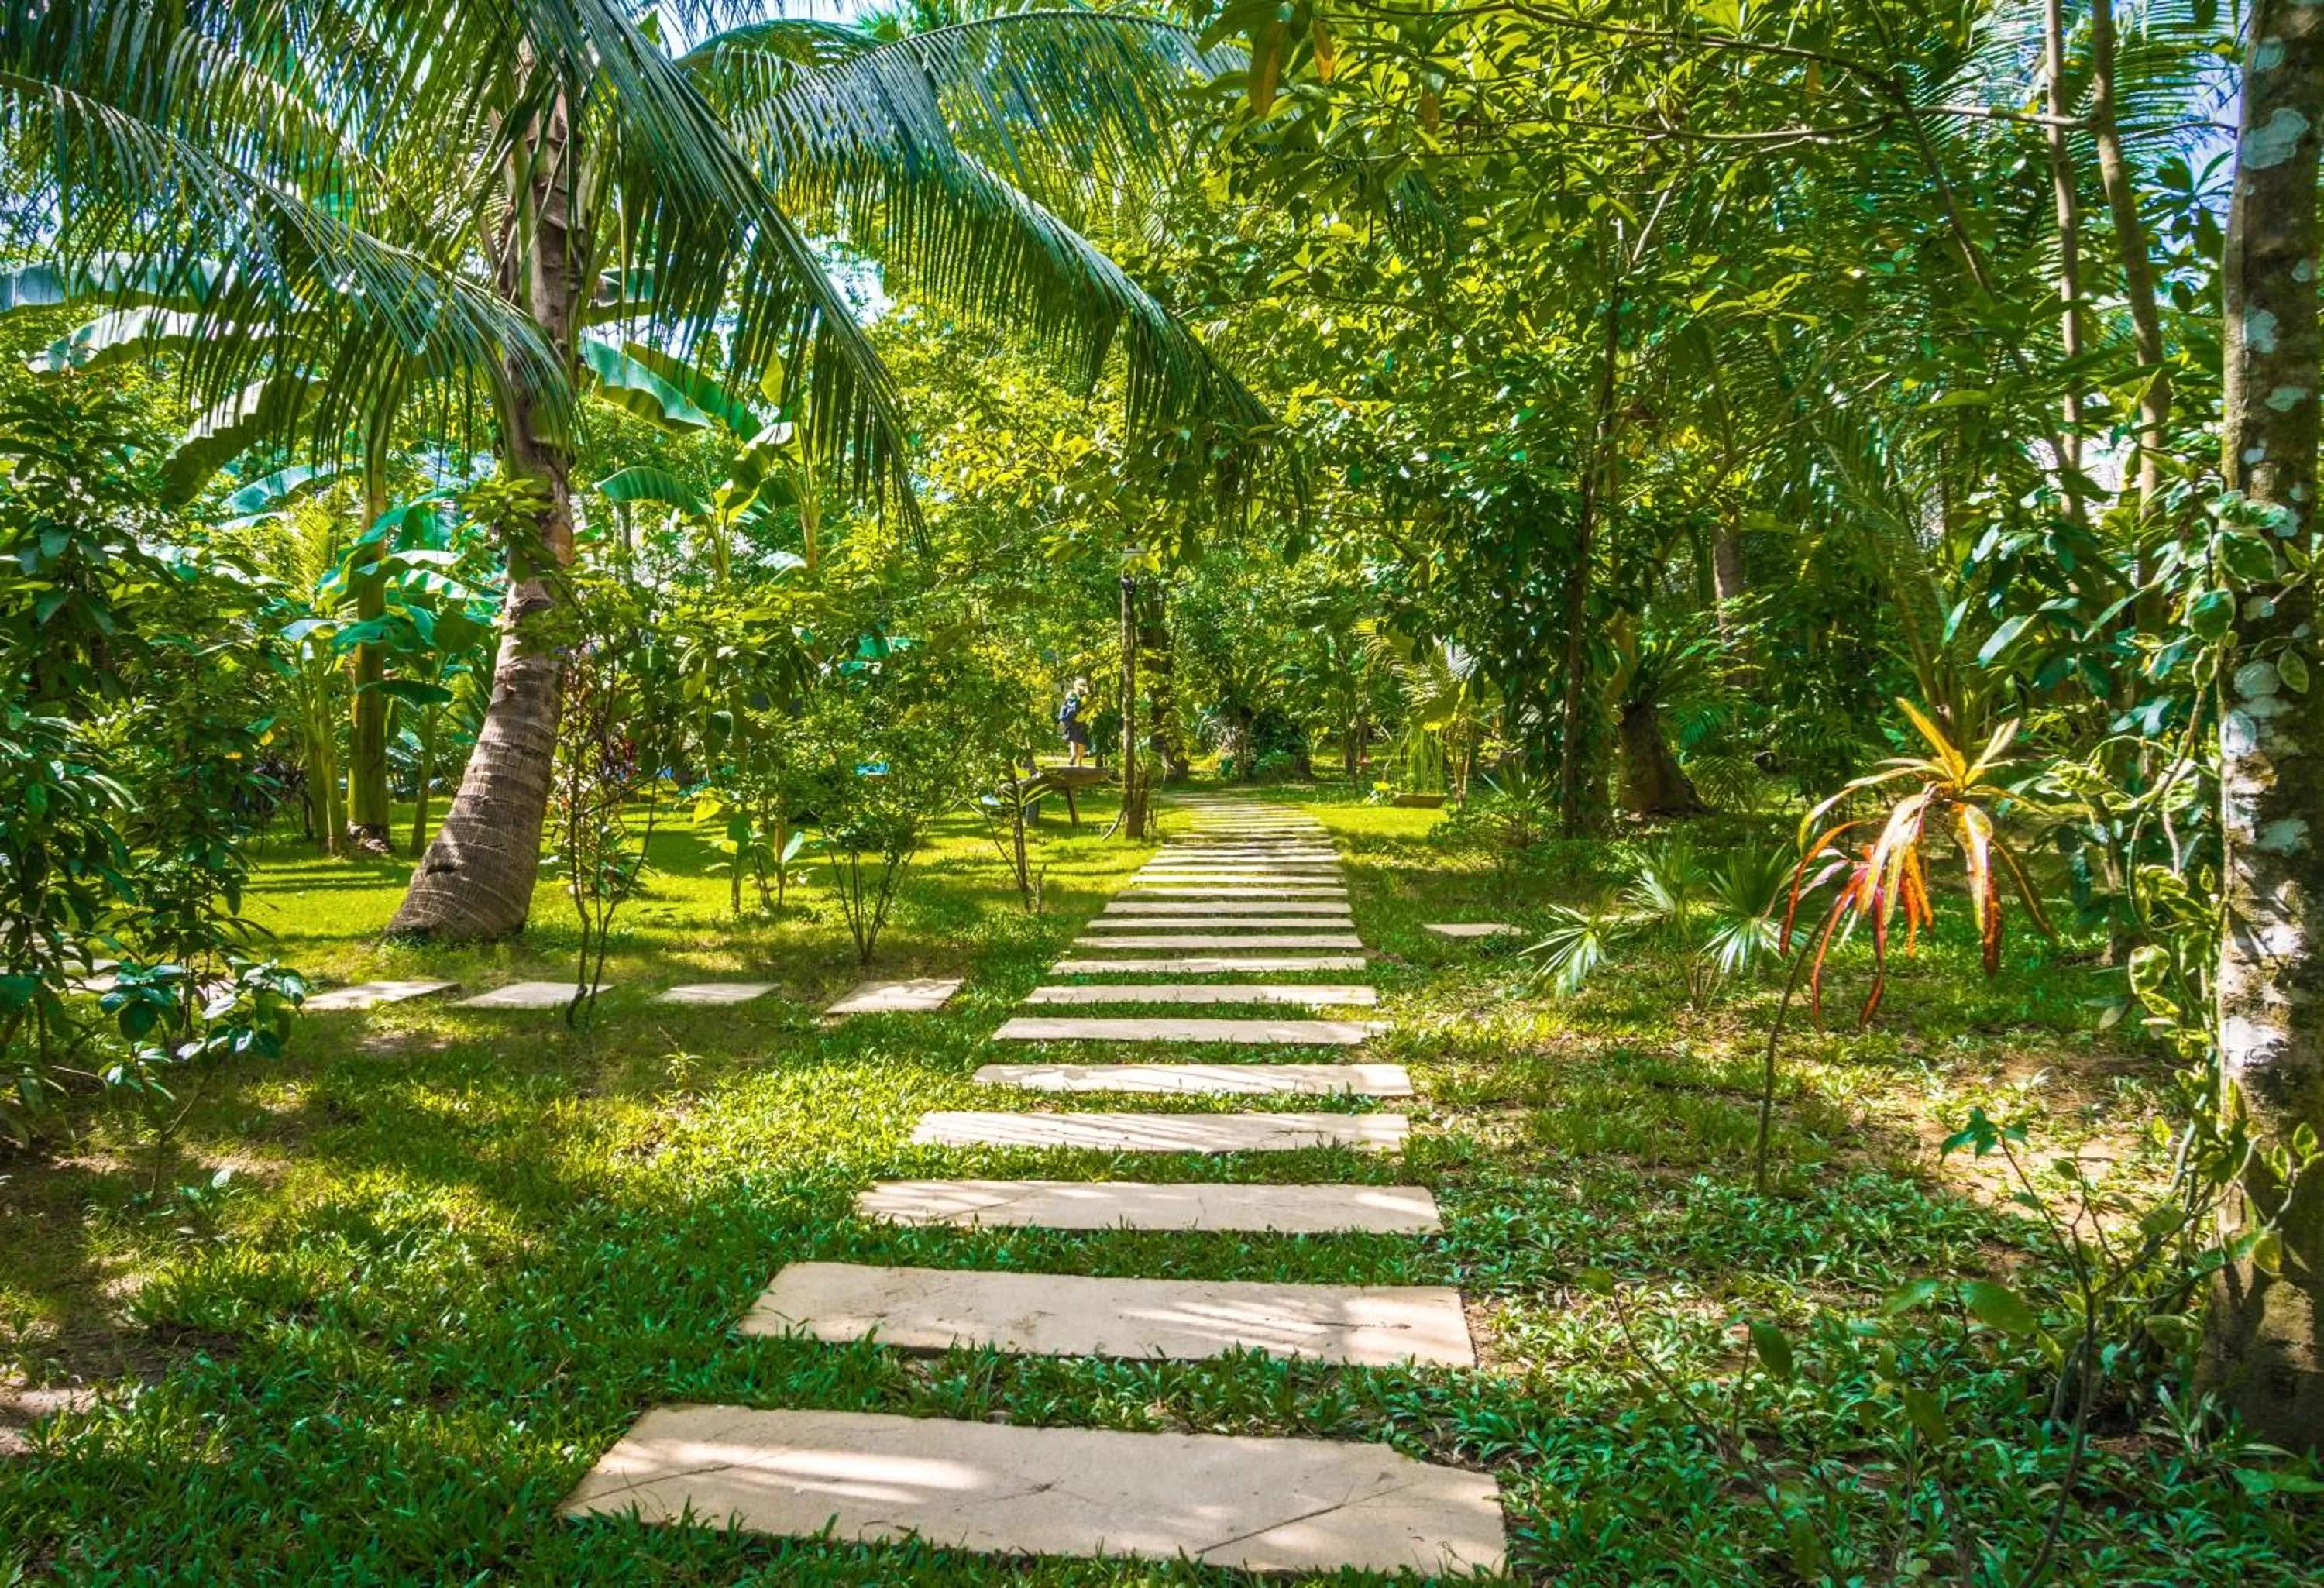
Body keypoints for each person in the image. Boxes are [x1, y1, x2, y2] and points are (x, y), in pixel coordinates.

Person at [1058, 675, 1091, 767]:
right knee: (1081, 742)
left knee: (1073, 740)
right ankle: (1079, 762)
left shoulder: (1071, 694)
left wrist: (1062, 719)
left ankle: (1073, 755)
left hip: (1072, 720)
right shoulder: (1086, 696)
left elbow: (1064, 706)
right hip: (1082, 721)